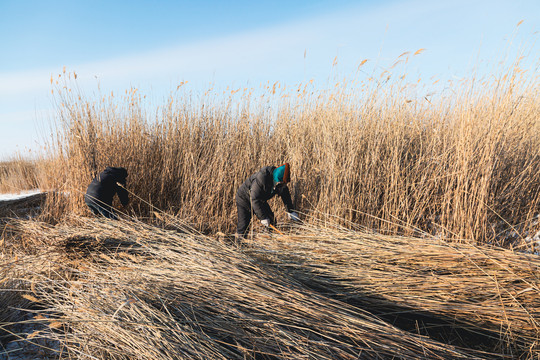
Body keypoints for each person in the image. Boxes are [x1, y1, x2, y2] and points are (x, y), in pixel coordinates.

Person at [235, 163, 300, 238]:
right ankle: (239, 245)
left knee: (271, 220)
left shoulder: (281, 184)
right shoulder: (262, 178)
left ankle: (269, 242)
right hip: (245, 199)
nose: (284, 186)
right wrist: (263, 217)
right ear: (277, 180)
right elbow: (254, 199)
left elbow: (286, 196)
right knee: (243, 225)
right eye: (282, 184)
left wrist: (290, 211)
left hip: (260, 200)